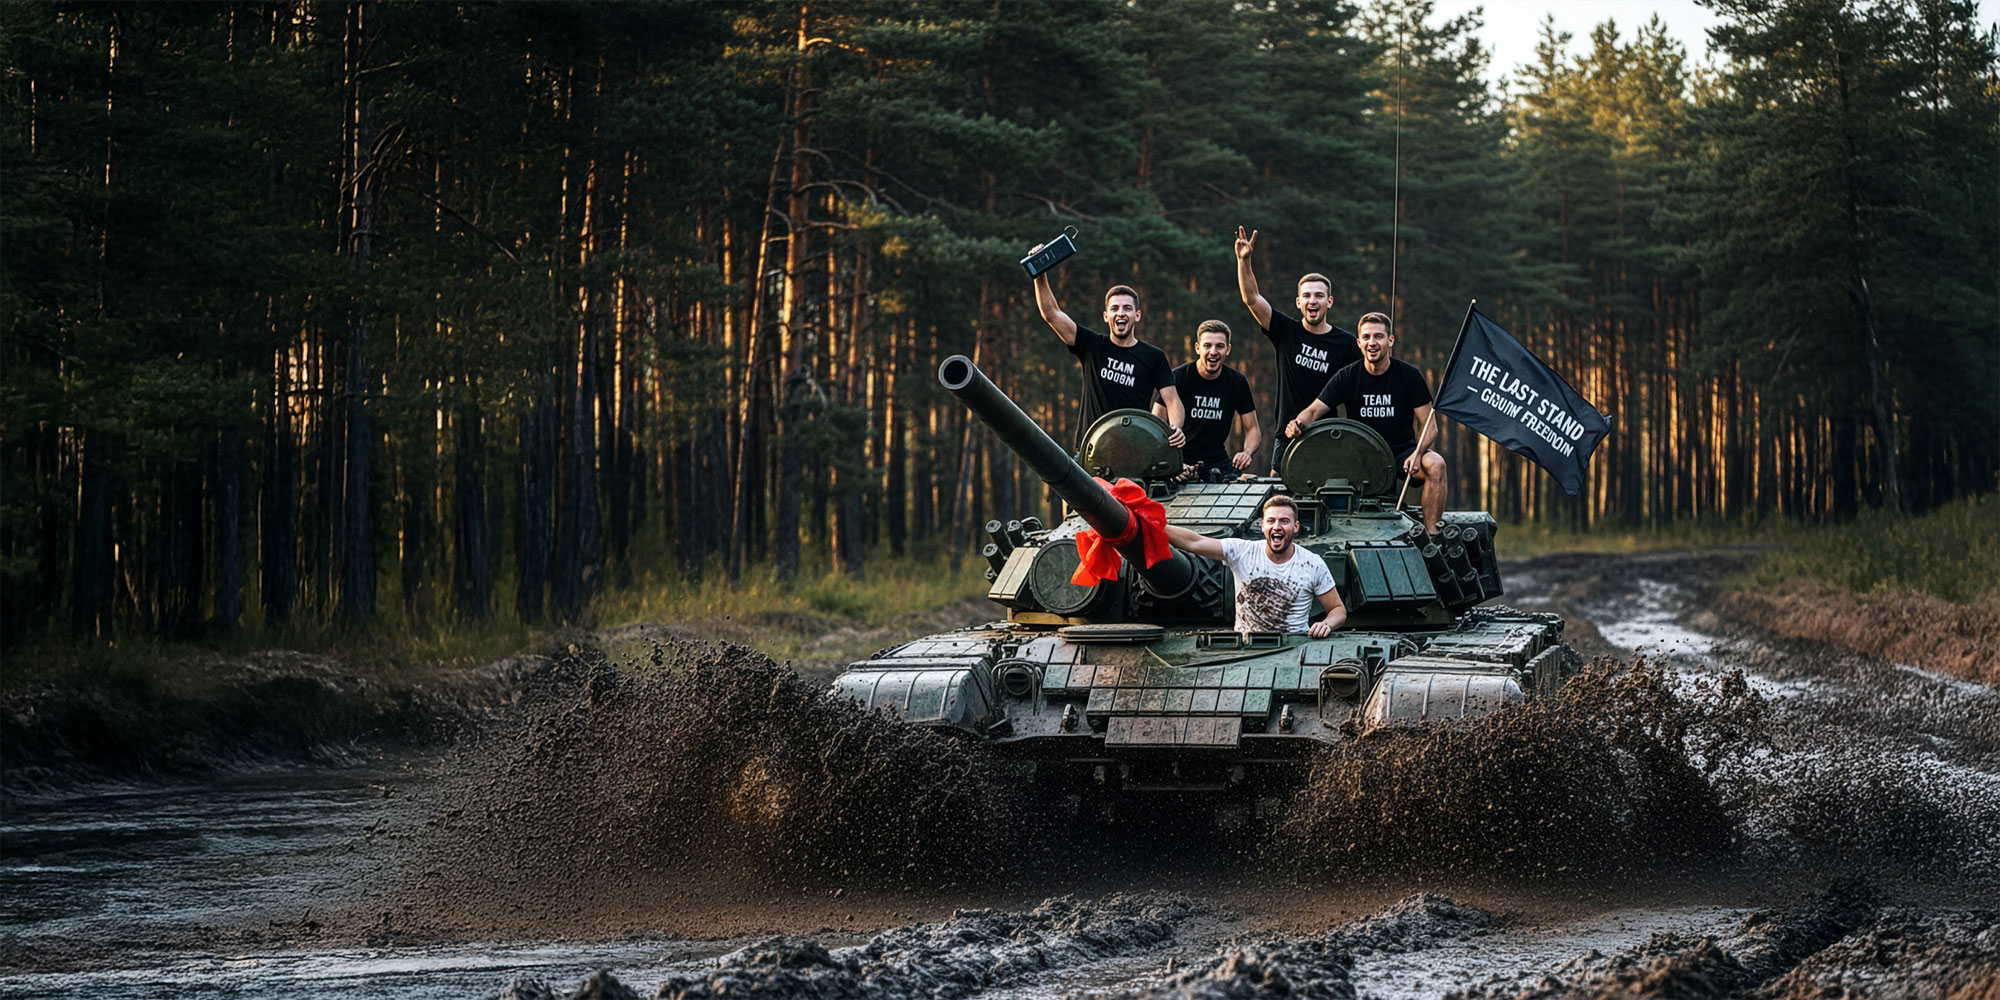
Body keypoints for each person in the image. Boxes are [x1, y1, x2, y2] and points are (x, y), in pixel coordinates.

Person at [1286, 312, 1448, 533]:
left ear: (1390, 340)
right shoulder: (1347, 376)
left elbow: (1431, 426)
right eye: (1366, 337)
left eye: (1379, 336)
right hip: (1359, 457)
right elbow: (1314, 410)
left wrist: (1418, 453)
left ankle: (1432, 535)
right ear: (1359, 342)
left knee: (1436, 464)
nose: (1372, 342)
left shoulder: (1409, 376)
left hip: (1403, 454)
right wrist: (1297, 423)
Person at [1028, 245, 1184, 448]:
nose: (1121, 313)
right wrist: (1040, 275)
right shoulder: (1092, 345)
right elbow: (1051, 314)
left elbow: (1172, 401)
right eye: (1114, 308)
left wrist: (1176, 428)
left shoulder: (1154, 356)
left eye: (1127, 308)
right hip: (1091, 451)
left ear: (1137, 315)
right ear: (1106, 316)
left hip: (1134, 452)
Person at [1233, 226, 1362, 471]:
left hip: (1328, 437)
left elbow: (1359, 391)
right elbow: (1251, 298)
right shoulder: (1286, 331)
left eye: (1319, 296)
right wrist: (1244, 261)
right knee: (1277, 494)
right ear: (1298, 302)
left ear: (1329, 301)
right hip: (1287, 436)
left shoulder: (1346, 344)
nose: (1313, 300)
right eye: (1307, 296)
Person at [1164, 494, 1346, 636]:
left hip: (1293, 646)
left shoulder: (1312, 563)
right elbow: (1195, 542)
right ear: (1262, 525)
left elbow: (1337, 610)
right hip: (1246, 647)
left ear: (1296, 526)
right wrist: (1154, 524)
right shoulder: (1242, 551)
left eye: (1284, 521)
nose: (1277, 526)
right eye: (1271, 521)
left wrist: (1326, 624)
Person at [1153, 320, 1262, 482]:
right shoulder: (1177, 377)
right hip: (1180, 460)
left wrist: (1246, 453)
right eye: (1207, 346)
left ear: (1228, 349)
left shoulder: (1237, 382)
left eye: (1220, 346)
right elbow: (1155, 427)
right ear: (1197, 348)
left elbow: (1253, 429)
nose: (1213, 352)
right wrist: (1173, 464)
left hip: (1218, 463)